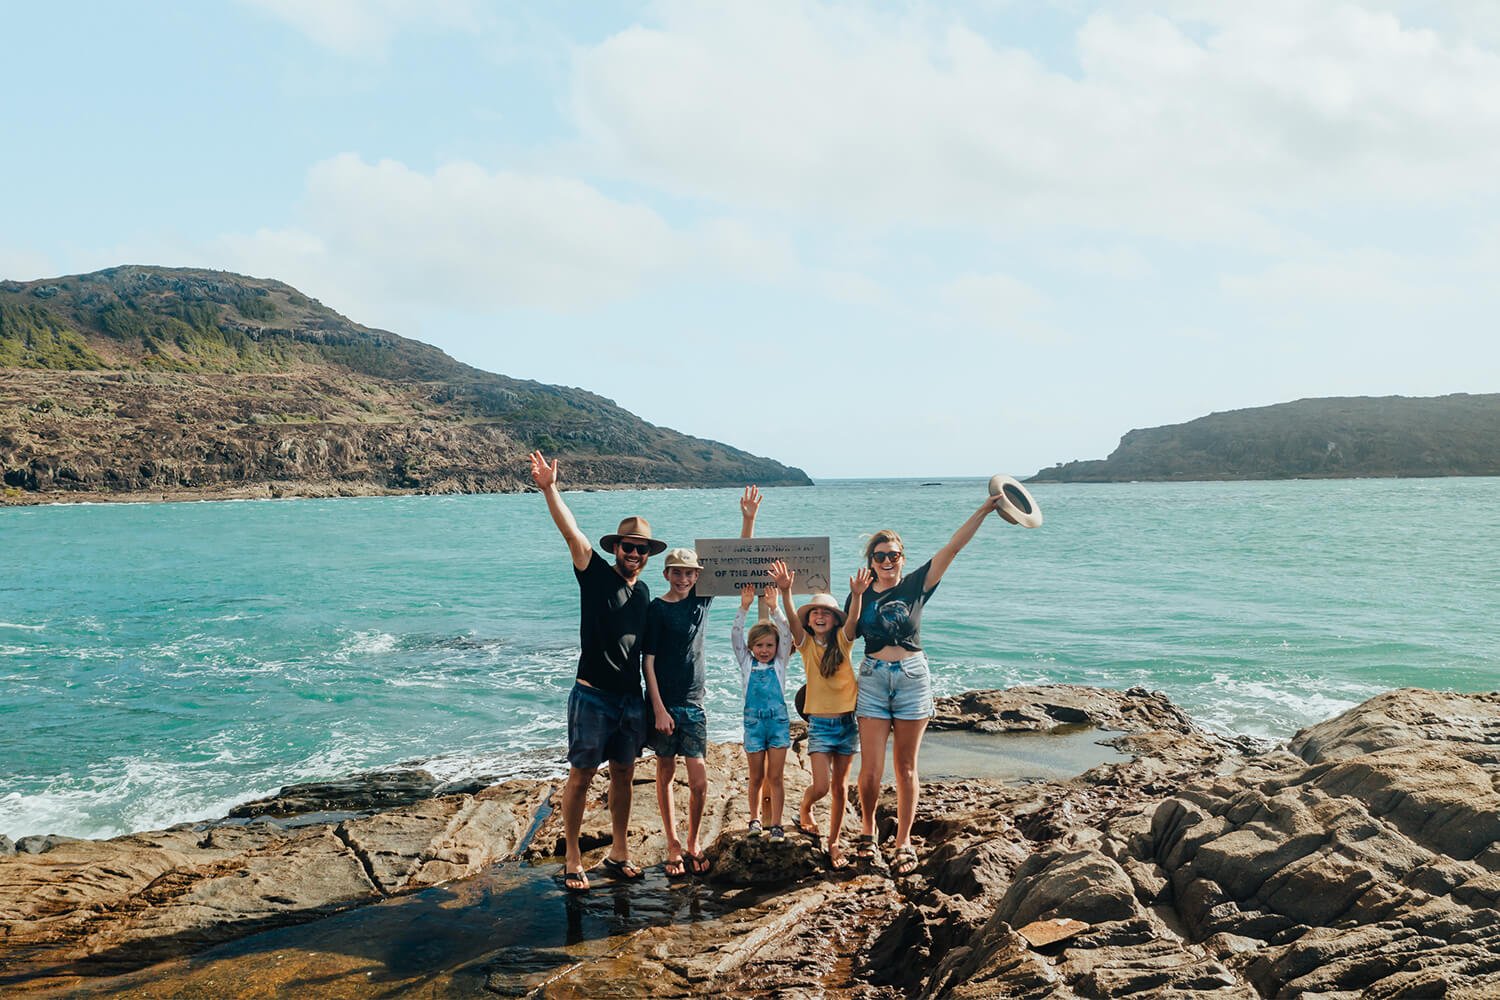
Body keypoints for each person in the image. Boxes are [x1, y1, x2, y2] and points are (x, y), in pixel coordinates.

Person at [529, 448, 665, 893]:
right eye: (629, 547)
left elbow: (651, 650)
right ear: (616, 548)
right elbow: (572, 533)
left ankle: (619, 851)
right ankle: (571, 857)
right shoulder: (595, 572)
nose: (635, 554)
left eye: (642, 550)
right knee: (582, 775)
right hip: (591, 696)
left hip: (630, 699)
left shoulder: (644, 592)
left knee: (624, 773)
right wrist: (551, 488)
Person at [849, 496, 1007, 876]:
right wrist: (854, 597)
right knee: (870, 769)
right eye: (880, 556)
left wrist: (983, 510)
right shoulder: (862, 592)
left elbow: (953, 546)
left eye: (894, 555)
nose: (888, 561)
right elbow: (848, 634)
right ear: (870, 561)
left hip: (912, 678)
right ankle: (868, 833)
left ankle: (903, 840)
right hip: (872, 678)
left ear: (903, 558)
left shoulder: (919, 583)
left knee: (905, 767)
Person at [642, 487, 761, 877]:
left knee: (697, 778)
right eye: (676, 572)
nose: (683, 578)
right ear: (667, 574)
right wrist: (657, 708)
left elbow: (741, 564)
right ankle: (673, 844)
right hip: (663, 704)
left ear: (697, 576)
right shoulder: (657, 609)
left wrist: (748, 519)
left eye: (689, 573)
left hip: (694, 704)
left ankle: (693, 840)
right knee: (664, 774)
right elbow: (649, 662)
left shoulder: (701, 600)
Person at [769, 559, 871, 871]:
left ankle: (834, 840)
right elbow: (790, 618)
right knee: (823, 786)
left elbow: (853, 621)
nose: (820, 616)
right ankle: (805, 806)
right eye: (815, 612)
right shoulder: (806, 645)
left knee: (841, 788)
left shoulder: (843, 641)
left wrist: (857, 595)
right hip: (820, 725)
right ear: (810, 621)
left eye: (826, 612)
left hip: (847, 723)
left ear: (834, 619)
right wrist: (786, 593)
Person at [730, 581, 793, 840]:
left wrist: (775, 608)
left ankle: (776, 823)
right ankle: (754, 819)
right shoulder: (746, 662)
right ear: (751, 647)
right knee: (755, 777)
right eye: (759, 646)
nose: (764, 650)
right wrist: (743, 608)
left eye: (769, 645)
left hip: (778, 723)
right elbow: (735, 635)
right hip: (754, 725)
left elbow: (788, 634)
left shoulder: (781, 662)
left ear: (777, 648)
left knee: (775, 777)